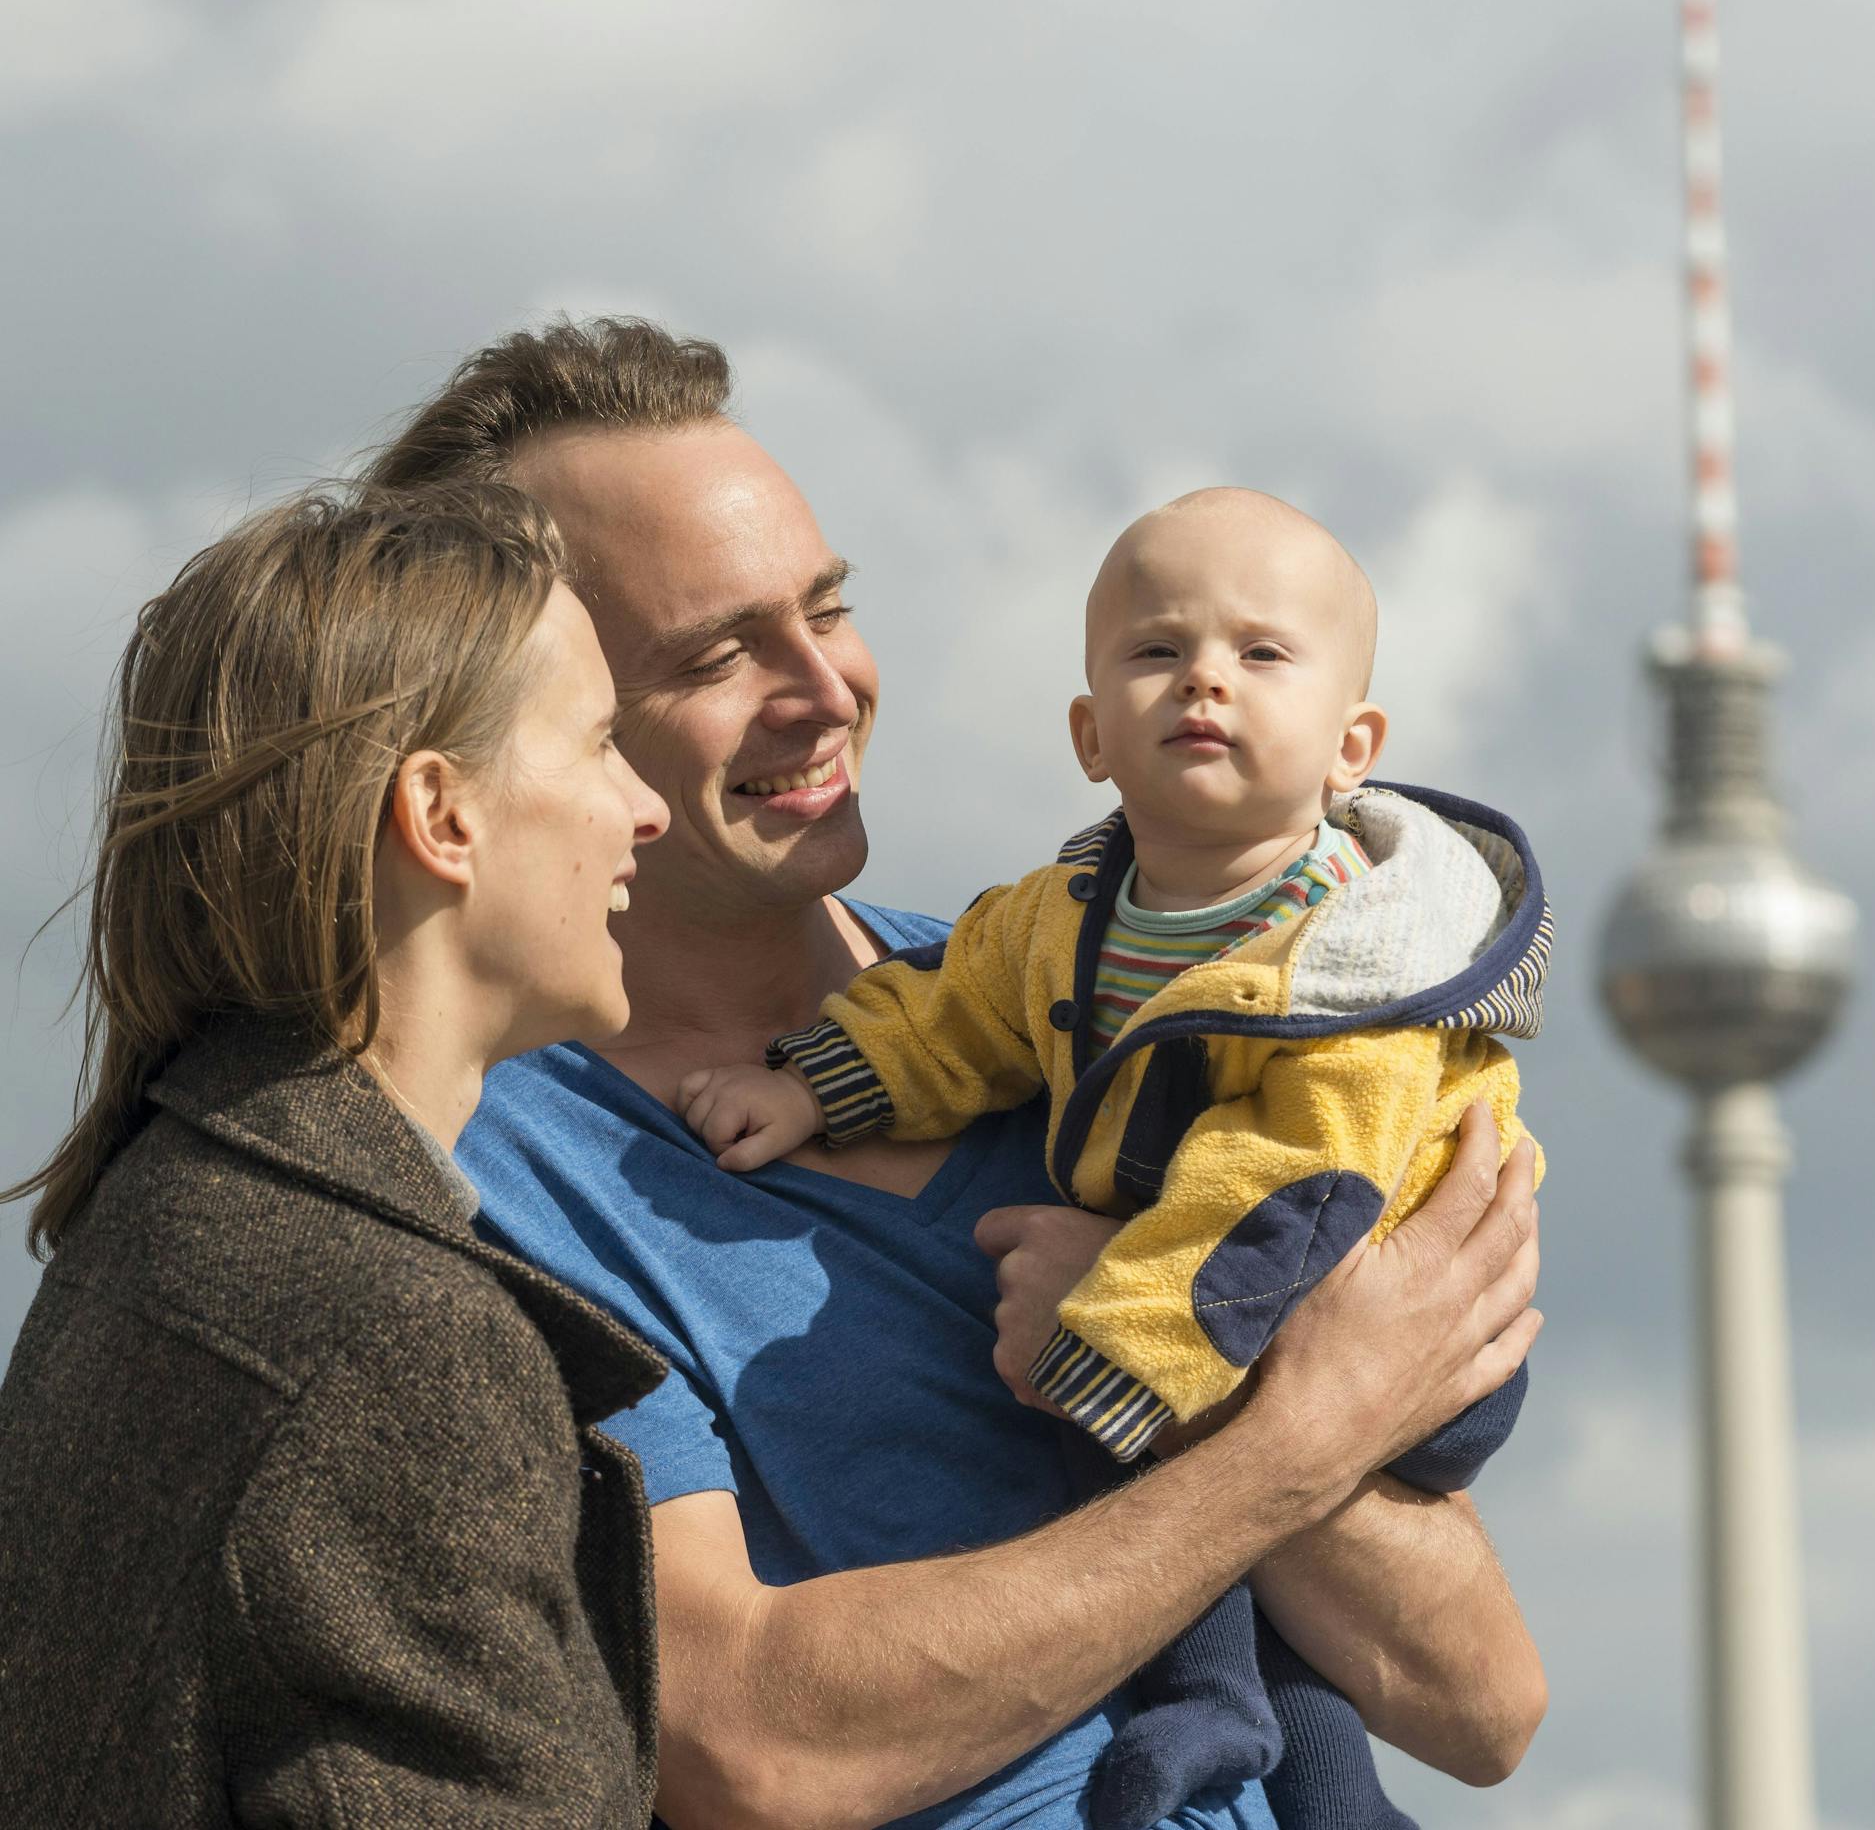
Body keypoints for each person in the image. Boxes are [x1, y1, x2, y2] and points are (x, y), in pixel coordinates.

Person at [365, 318, 1547, 1830]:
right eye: (717, 654)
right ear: (541, 721)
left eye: (827, 607)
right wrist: (1292, 1432)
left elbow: (1483, 1703)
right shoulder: (483, 1171)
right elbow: (751, 1749)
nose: (824, 689)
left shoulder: (1097, 1001)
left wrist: (1190, 1386)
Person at [678, 486, 1548, 1829]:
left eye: (1263, 656)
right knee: (1216, 1565)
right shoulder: (1066, 917)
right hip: (1207, 1303)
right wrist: (813, 1086)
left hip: (1354, 1281)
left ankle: (1240, 1744)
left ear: (1352, 747)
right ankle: (1250, 1753)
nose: (1205, 677)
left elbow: (1299, 1177)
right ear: (1090, 736)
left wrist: (1128, 1325)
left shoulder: (1356, 974)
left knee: (1186, 1518)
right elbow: (954, 1010)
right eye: (1157, 653)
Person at [0, 482, 671, 1825]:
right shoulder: (397, 1343)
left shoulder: (169, 1218)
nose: (645, 808)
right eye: (601, 743)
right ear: (443, 815)